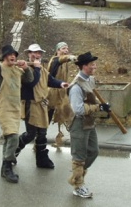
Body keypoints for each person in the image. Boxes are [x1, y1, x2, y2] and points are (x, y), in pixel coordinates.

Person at [0, 33, 33, 183]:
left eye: (14, 54)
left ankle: (5, 166)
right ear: (4, 57)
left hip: (15, 110)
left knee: (9, 138)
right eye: (9, 54)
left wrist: (27, 68)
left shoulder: (17, 70)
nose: (12, 56)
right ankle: (7, 167)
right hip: (3, 109)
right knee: (13, 136)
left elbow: (29, 80)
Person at [16, 44, 68, 169]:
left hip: (42, 105)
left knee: (42, 133)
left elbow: (49, 80)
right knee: (31, 134)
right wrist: (37, 68)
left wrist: (61, 83)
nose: (37, 55)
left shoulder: (42, 69)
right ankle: (12, 151)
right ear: (28, 54)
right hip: (30, 104)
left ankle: (42, 159)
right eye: (34, 53)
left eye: (39, 53)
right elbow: (32, 82)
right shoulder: (23, 69)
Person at [67, 52, 110, 198]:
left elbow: (91, 100)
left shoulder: (90, 80)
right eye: (92, 64)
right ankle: (78, 185)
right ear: (84, 66)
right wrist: (98, 108)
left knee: (93, 151)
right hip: (78, 124)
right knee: (79, 157)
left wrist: (103, 107)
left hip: (89, 122)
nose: (95, 66)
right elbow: (78, 109)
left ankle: (77, 174)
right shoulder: (76, 87)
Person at [47, 42, 77, 143]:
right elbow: (60, 59)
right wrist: (70, 57)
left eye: (67, 48)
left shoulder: (65, 64)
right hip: (52, 93)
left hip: (62, 92)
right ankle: (39, 140)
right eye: (64, 48)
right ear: (58, 50)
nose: (66, 50)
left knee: (68, 114)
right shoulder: (55, 60)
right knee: (47, 117)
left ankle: (63, 138)